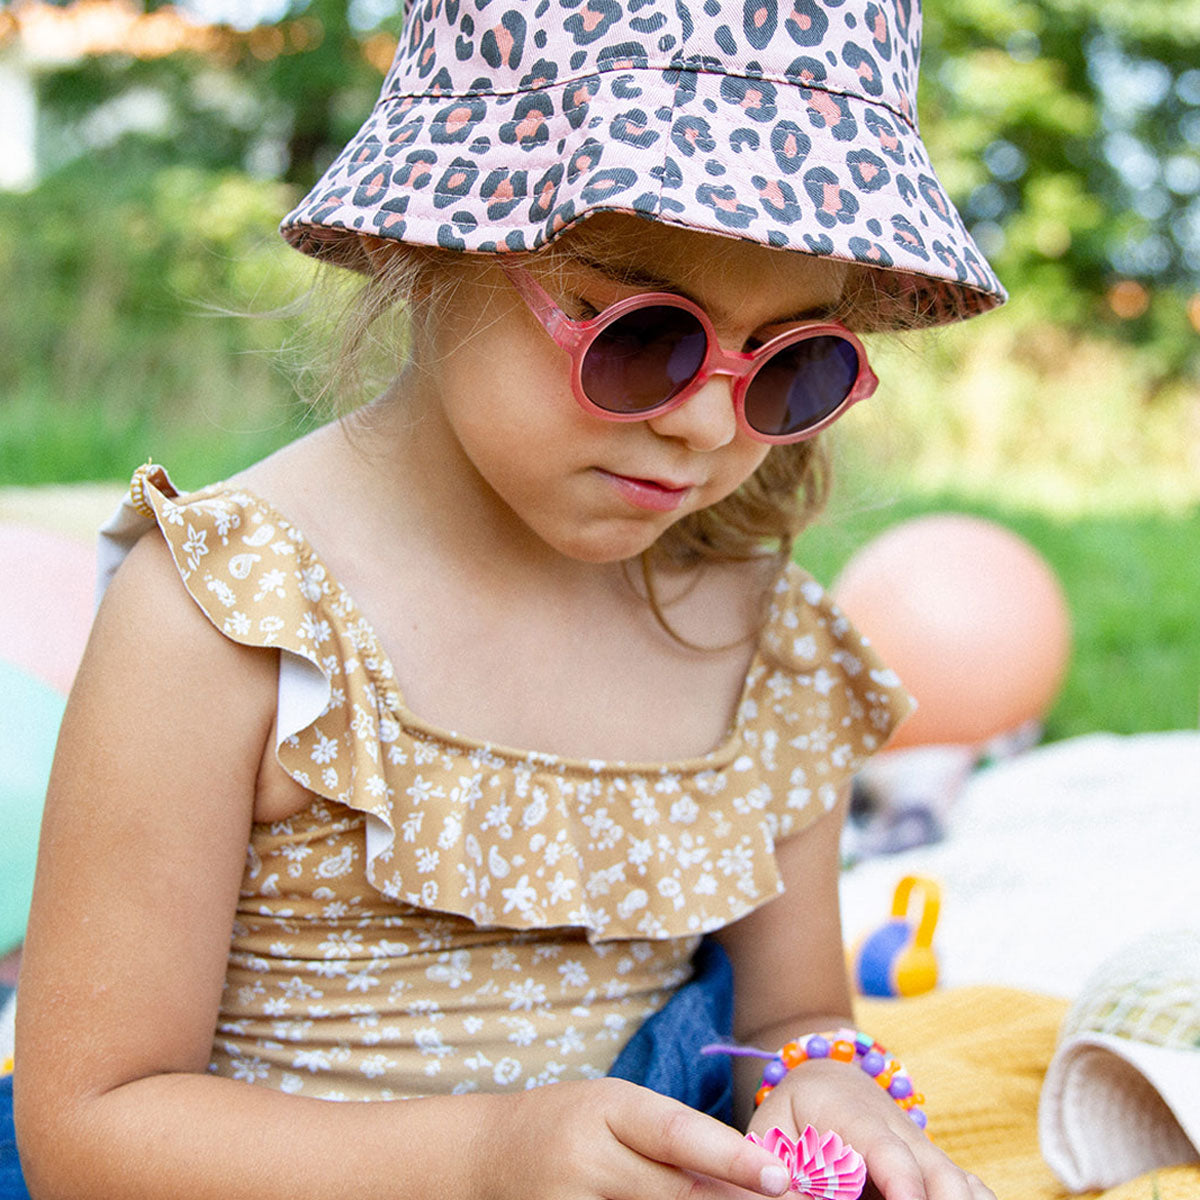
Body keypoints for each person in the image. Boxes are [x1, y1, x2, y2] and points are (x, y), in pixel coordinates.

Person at [9, 2, 1007, 1197]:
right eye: (644, 339)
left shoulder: (760, 642)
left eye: (794, 363)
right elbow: (88, 1130)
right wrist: (484, 1160)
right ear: (437, 238)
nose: (701, 425)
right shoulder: (232, 615)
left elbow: (793, 1012)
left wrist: (827, 1078)